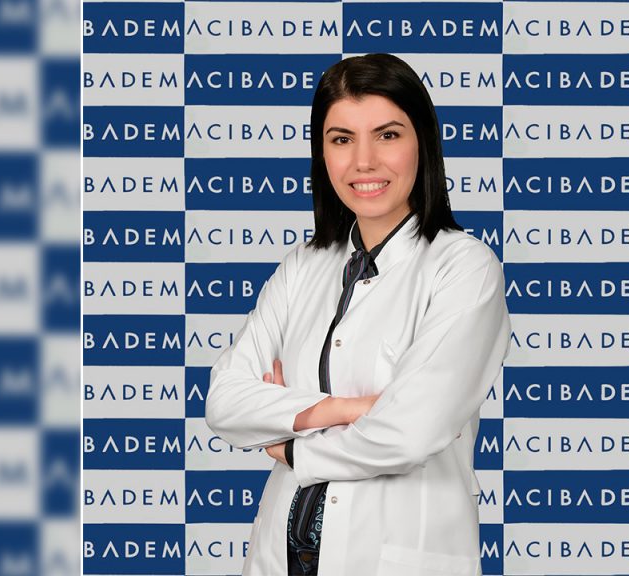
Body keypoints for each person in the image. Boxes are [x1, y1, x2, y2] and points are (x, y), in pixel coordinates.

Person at [205, 53, 512, 576]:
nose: (363, 161)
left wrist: (292, 445)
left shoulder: (464, 268)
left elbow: (409, 434)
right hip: (282, 557)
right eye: (342, 139)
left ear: (423, 143)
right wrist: (346, 409)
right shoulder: (303, 266)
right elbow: (225, 401)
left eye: (387, 135)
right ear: (322, 152)